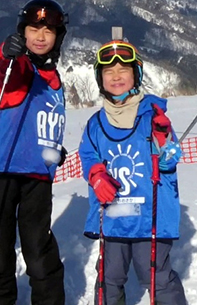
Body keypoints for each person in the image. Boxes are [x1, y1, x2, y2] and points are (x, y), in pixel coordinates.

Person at [78, 39, 188, 305]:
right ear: (100, 78)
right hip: (113, 217)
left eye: (123, 70)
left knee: (157, 277)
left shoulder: (153, 116)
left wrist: (164, 143)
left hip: (149, 218)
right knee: (108, 278)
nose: (116, 77)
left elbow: (169, 161)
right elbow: (88, 155)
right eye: (109, 72)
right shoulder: (95, 124)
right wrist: (96, 175)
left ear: (136, 75)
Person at [0, 0, 68, 305]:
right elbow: (7, 67)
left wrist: (53, 147)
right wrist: (7, 52)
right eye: (33, 29)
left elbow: (40, 121)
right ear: (23, 32)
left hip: (38, 178)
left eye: (48, 31)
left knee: (38, 248)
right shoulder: (18, 70)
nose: (40, 37)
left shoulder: (55, 81)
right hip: (4, 172)